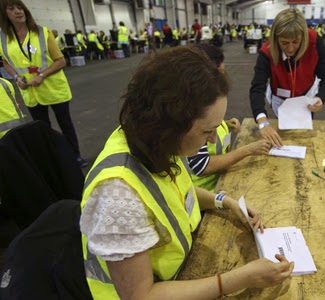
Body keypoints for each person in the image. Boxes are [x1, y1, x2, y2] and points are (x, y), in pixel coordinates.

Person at [79, 47, 294, 299]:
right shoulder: (116, 193)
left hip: (183, 270)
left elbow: (175, 192)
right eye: (207, 131)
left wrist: (225, 202)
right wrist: (239, 279)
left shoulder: (156, 141)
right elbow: (141, 296)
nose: (213, 138)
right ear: (171, 123)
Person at [0, 0, 87, 167]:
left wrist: (41, 75)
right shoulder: (3, 38)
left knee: (65, 124)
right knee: (42, 129)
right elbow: (5, 62)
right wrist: (17, 77)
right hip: (30, 92)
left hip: (53, 88)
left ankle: (75, 156)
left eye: (20, 7)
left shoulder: (42, 33)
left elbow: (60, 61)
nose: (18, 11)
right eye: (11, 8)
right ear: (5, 14)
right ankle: (54, 159)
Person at [188, 44, 271, 192]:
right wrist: (247, 150)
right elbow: (201, 165)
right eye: (219, 74)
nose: (223, 81)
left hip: (220, 181)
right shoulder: (195, 112)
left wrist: (223, 125)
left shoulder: (208, 100)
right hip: (205, 194)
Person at [249, 8, 325, 147]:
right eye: (284, 43)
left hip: (306, 99)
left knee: (303, 140)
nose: (290, 49)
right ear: (276, 38)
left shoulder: (314, 41)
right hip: (280, 99)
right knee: (283, 139)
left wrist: (321, 97)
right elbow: (257, 88)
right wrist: (263, 122)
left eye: (296, 42)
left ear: (303, 36)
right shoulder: (266, 52)